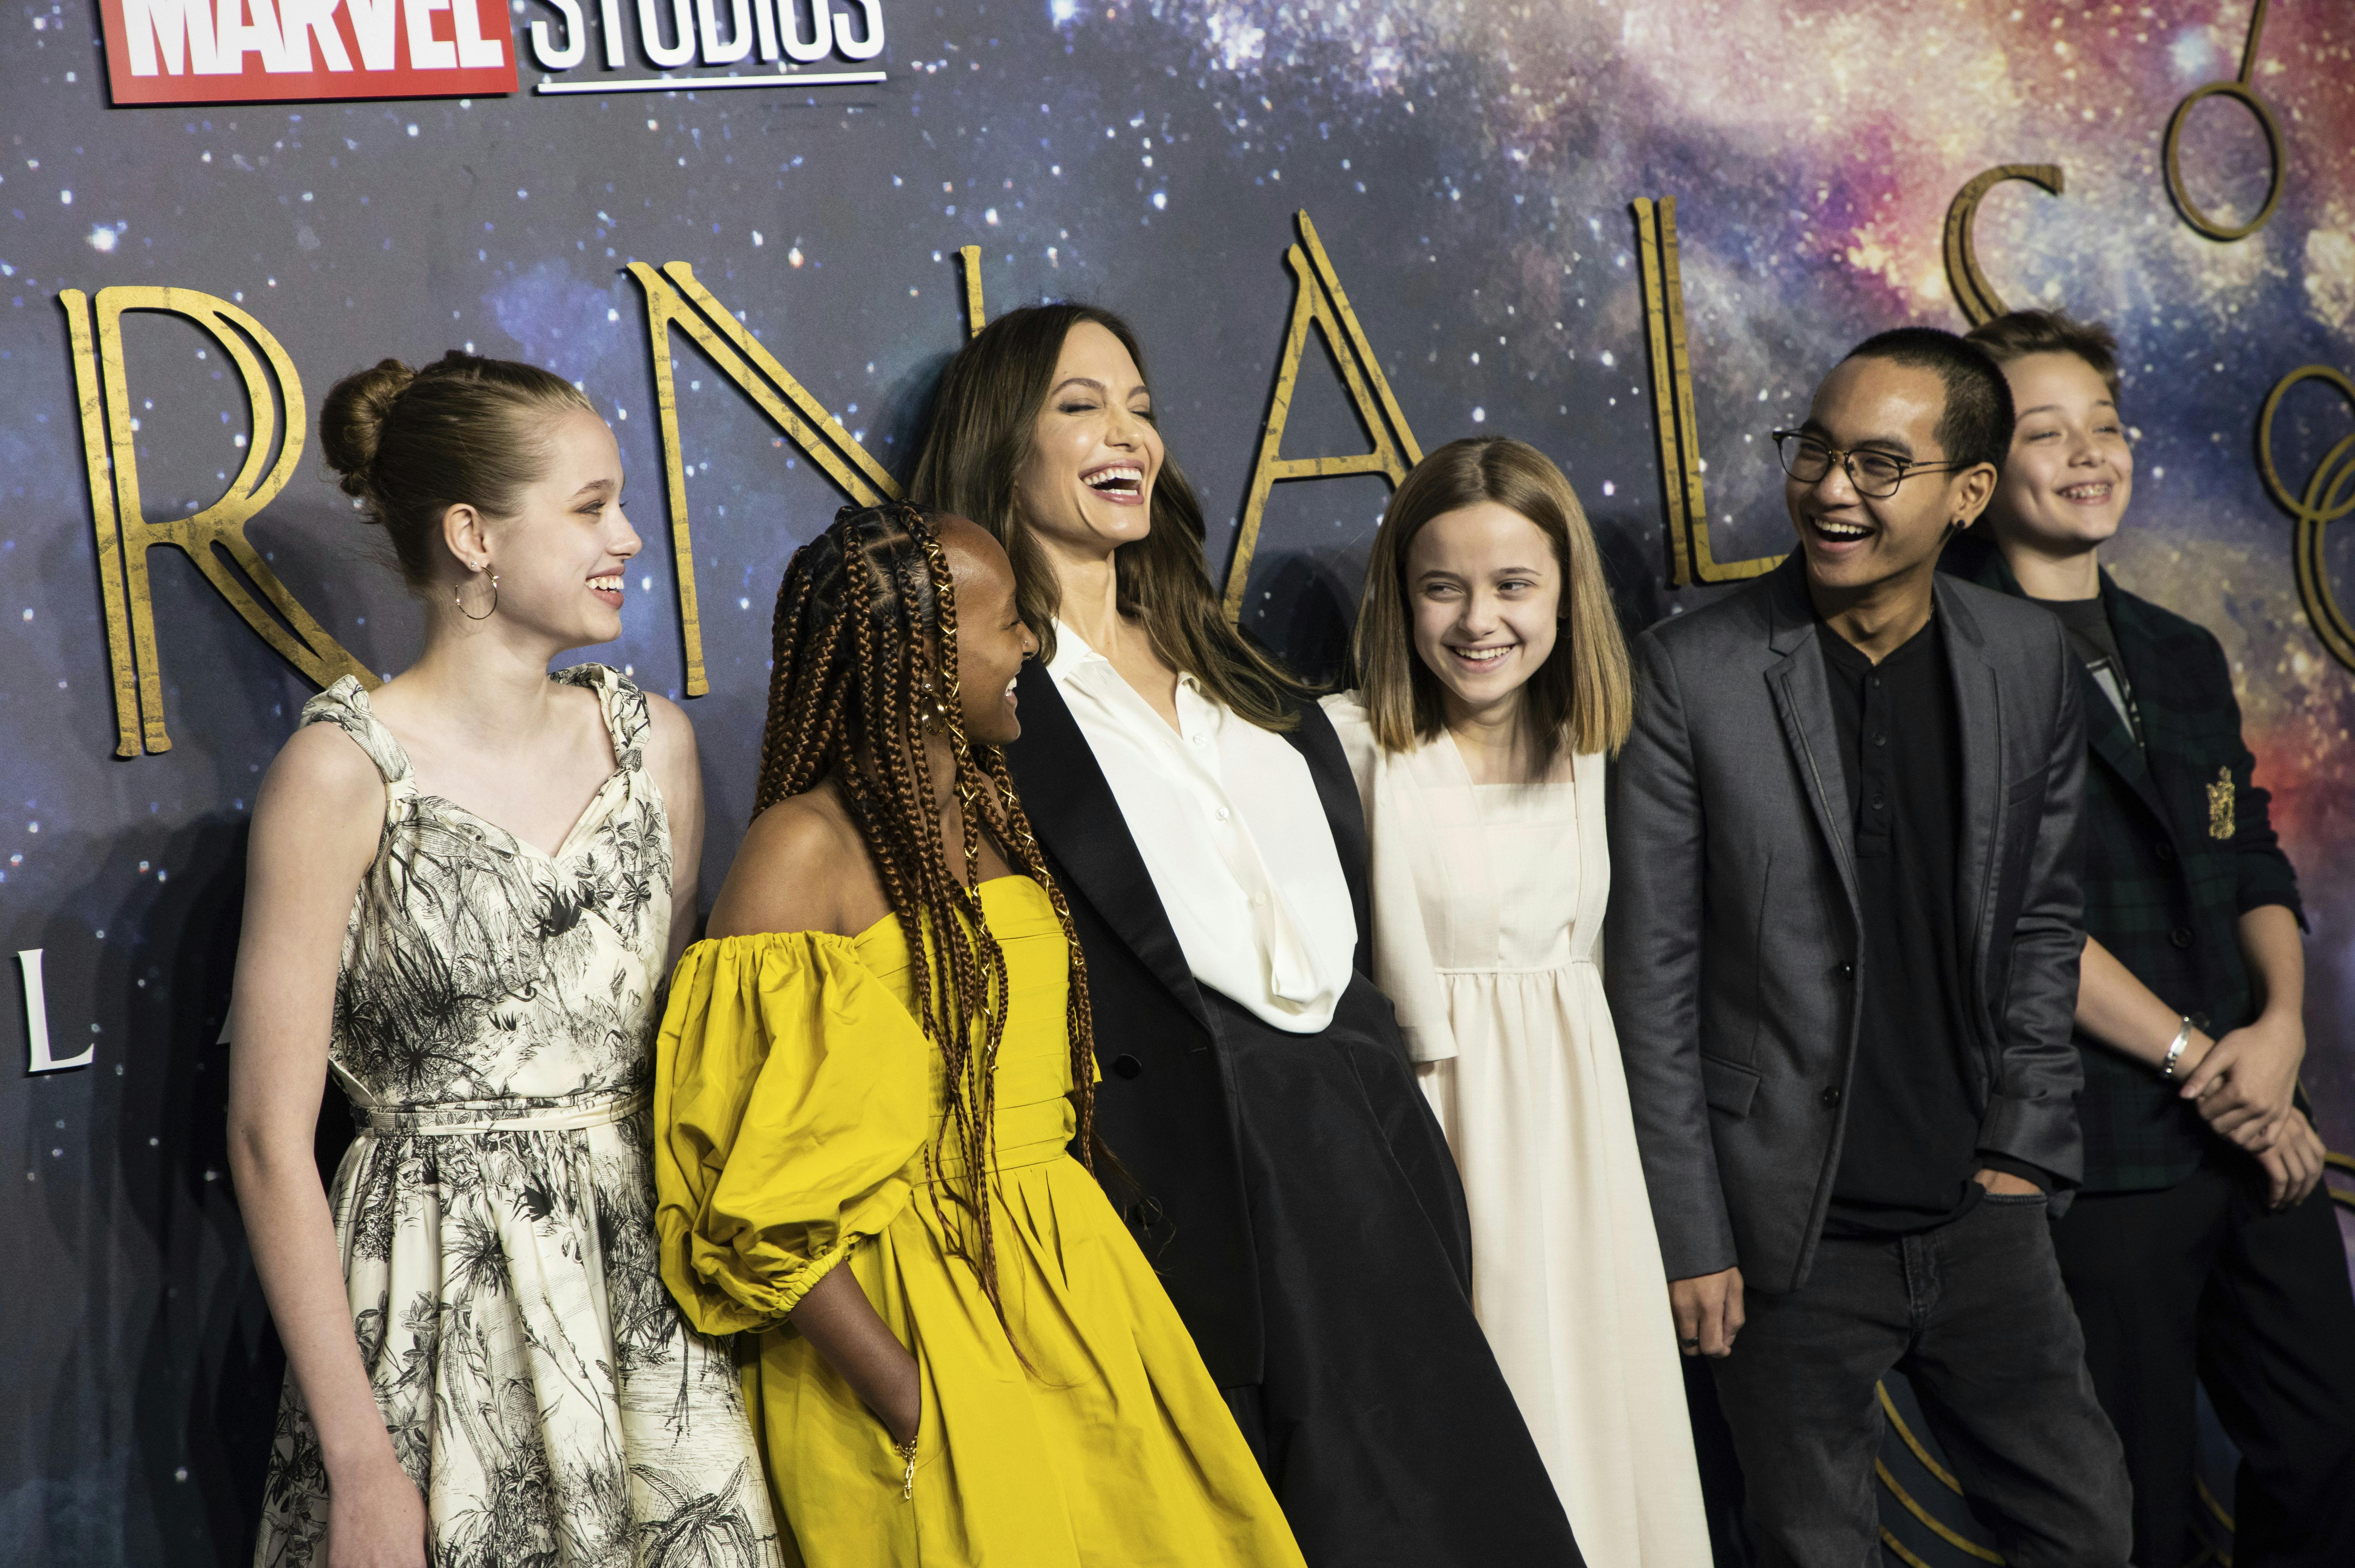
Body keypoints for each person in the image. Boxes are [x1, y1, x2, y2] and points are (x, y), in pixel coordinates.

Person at [909, 306, 1581, 1567]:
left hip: (1370, 1158)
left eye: (1142, 406)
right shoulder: (993, 706)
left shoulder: (1246, 677)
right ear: (1001, 441)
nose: (1127, 434)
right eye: (1080, 406)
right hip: (1200, 1183)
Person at [650, 501, 1307, 1567]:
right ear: (922, 660)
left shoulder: (996, 811)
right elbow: (752, 1192)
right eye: (1008, 623)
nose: (1031, 645)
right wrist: (911, 1395)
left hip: (1073, 1292)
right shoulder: (800, 852)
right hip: (911, 1315)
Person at [228, 352, 780, 1568]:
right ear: (474, 535)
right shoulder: (340, 774)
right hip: (434, 1327)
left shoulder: (657, 751)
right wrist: (362, 1463)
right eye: (591, 507)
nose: (628, 537)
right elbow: (269, 1140)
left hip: (647, 1329)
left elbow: (672, 1063)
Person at [1605, 326, 2136, 1566]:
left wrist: (2023, 1149)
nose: (1832, 488)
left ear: (1968, 493)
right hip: (1783, 1240)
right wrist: (1694, 1233)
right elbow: (1651, 982)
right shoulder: (1689, 674)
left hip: (1983, 1215)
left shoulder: (2025, 658)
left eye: (1880, 465)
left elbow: (2043, 919)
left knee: (2087, 1533)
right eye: (1817, 450)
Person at [1948, 308, 2355, 1568]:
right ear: (1979, 474)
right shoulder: (1947, 660)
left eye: (2106, 426)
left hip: (2253, 1117)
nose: (2089, 453)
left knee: (2324, 1449)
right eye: (2046, 432)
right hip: (2099, 1150)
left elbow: (2250, 861)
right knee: (2134, 1506)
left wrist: (2279, 1035)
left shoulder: (2181, 652)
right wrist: (2207, 1065)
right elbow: (2016, 915)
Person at [1322, 436, 1711, 1564]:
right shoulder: (1345, 747)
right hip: (1437, 1136)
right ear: (1402, 597)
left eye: (1512, 585)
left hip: (1586, 1148)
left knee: (1598, 1419)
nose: (1478, 619)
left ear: (1565, 592)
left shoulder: (1603, 747)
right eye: (1442, 587)